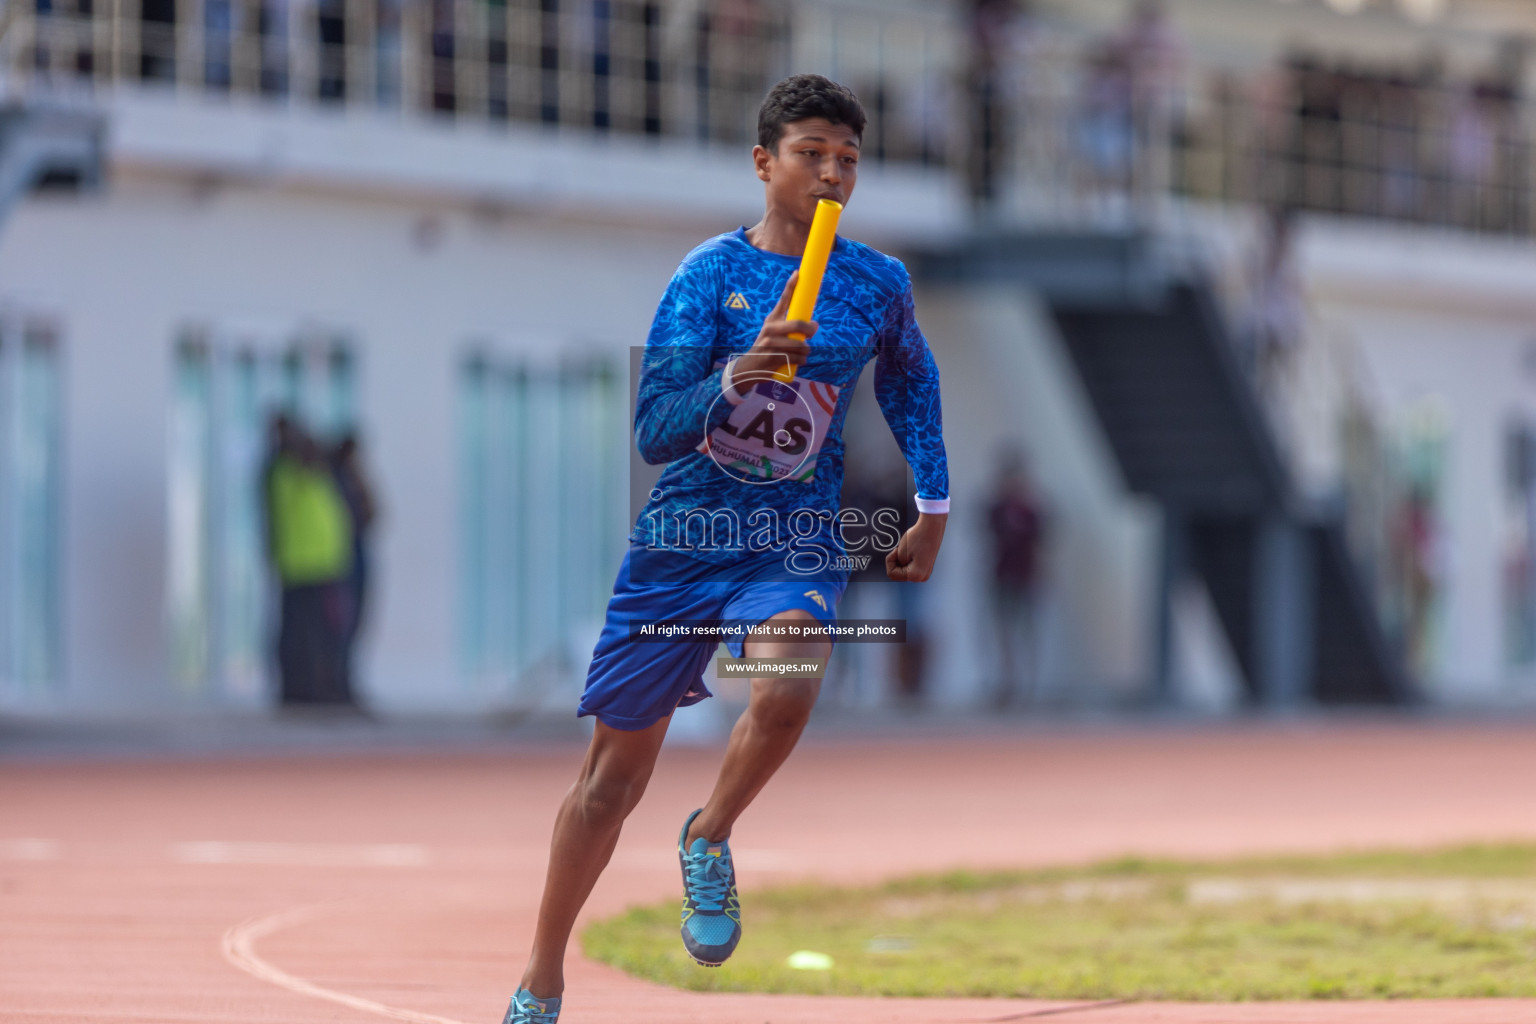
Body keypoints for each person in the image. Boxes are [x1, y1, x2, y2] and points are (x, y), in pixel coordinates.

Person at [501, 73, 950, 1024]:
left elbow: (912, 381)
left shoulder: (875, 282)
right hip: (686, 537)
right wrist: (735, 377)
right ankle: (541, 974)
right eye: (812, 155)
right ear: (764, 164)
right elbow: (655, 426)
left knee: (788, 686)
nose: (833, 174)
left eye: (849, 160)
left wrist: (933, 497)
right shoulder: (709, 275)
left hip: (790, 536)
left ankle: (709, 834)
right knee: (609, 786)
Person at [263, 414, 354, 707]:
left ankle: (318, 685)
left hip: (321, 564)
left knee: (322, 633)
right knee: (300, 634)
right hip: (301, 564)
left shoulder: (314, 470)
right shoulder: (285, 469)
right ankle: (300, 689)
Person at [985, 449, 1046, 708]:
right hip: (1002, 577)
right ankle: (1006, 684)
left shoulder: (1031, 511)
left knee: (1027, 633)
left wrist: (1041, 575)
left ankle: (1030, 687)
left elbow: (1042, 546)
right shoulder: (995, 508)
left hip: (1026, 577)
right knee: (1004, 633)